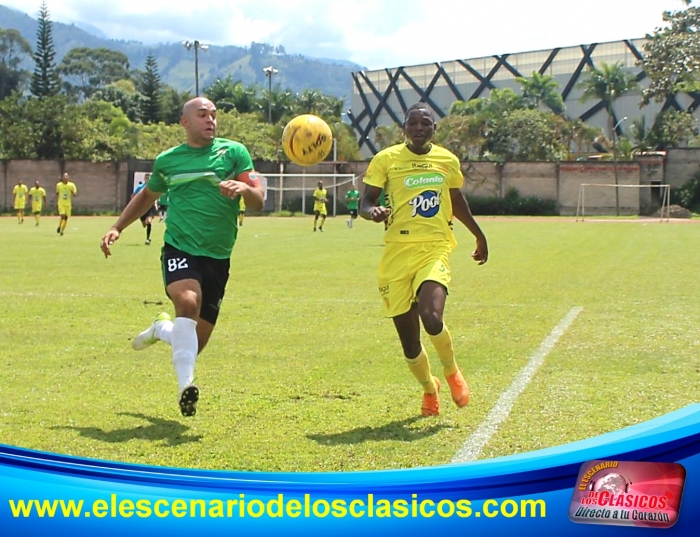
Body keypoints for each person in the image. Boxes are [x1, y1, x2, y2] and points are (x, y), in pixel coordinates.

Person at [100, 97, 265, 417]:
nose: (211, 120)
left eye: (214, 116)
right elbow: (147, 195)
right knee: (187, 302)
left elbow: (259, 200)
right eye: (202, 115)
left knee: (192, 344)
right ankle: (185, 387)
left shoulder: (234, 153)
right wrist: (118, 227)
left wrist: (245, 191)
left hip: (218, 256)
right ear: (185, 122)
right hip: (180, 247)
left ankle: (161, 330)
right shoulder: (168, 161)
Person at [360, 103, 488, 417]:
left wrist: (479, 234)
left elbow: (456, 201)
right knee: (409, 343)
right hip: (397, 253)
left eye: (425, 123)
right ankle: (430, 390)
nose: (419, 128)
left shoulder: (447, 160)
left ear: (434, 128)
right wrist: (371, 213)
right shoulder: (386, 159)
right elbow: (365, 202)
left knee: (432, 317)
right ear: (404, 127)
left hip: (435, 247)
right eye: (413, 123)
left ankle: (452, 371)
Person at [133, 179, 158, 245]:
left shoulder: (153, 186)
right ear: (145, 179)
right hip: (142, 207)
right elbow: (133, 195)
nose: (148, 179)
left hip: (150, 207)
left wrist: (155, 203)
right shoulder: (140, 187)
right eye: (146, 177)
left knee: (149, 222)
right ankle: (144, 222)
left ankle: (147, 239)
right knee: (144, 225)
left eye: (149, 177)